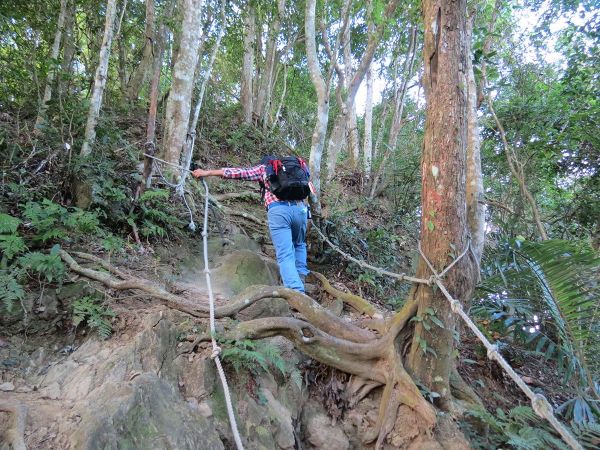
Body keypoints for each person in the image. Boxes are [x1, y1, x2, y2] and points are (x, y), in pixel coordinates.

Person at [192, 157, 311, 293]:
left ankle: (296, 292)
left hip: (279, 211)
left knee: (285, 254)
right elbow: (309, 185)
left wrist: (207, 173)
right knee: (299, 244)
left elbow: (238, 172)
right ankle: (300, 278)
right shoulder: (297, 168)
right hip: (300, 209)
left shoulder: (264, 168)